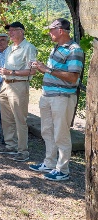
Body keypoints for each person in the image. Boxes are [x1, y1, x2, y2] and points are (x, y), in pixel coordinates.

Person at [29, 18, 84, 181]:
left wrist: (48, 70)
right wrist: (42, 69)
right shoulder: (57, 48)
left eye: (51, 30)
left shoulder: (74, 50)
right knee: (47, 131)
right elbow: (54, 71)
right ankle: (49, 163)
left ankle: (63, 170)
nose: (49, 33)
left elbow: (74, 77)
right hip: (48, 96)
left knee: (61, 134)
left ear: (61, 31)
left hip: (62, 98)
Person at [0, 21, 37, 162]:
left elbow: (32, 70)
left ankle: (23, 151)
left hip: (19, 85)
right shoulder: (9, 48)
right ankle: (10, 146)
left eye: (13, 30)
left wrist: (11, 71)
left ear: (22, 31)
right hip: (6, 84)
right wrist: (5, 73)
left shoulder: (29, 48)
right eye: (10, 31)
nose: (11, 33)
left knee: (20, 119)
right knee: (6, 118)